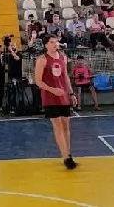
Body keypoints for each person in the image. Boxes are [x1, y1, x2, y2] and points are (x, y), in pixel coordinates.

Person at [33, 35, 78, 169]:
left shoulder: (63, 57)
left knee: (66, 126)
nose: (54, 44)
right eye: (51, 42)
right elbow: (38, 81)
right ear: (46, 45)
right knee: (57, 126)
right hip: (50, 97)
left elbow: (66, 77)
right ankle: (66, 157)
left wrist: (71, 93)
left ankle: (68, 153)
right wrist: (53, 90)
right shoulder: (42, 60)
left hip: (63, 96)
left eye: (56, 42)